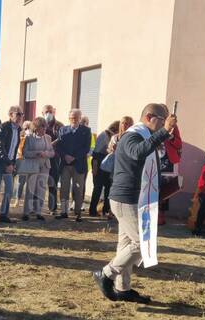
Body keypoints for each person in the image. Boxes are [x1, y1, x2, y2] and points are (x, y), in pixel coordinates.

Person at [93, 103, 177, 304]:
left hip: (132, 198)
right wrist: (164, 131)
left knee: (126, 246)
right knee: (142, 243)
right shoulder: (133, 135)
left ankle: (123, 288)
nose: (166, 123)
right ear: (150, 117)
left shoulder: (144, 136)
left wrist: (163, 134)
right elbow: (137, 152)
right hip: (126, 199)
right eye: (162, 119)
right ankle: (106, 274)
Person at [56, 109, 91, 222]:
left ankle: (77, 212)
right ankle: (64, 211)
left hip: (79, 164)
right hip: (65, 164)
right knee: (64, 189)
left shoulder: (86, 131)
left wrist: (74, 157)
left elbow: (86, 148)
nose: (73, 119)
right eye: (71, 117)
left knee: (78, 189)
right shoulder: (63, 130)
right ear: (69, 118)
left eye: (76, 117)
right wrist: (65, 155)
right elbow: (59, 146)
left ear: (80, 118)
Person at [21, 117, 55, 221]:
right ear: (36, 127)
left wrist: (46, 153)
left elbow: (52, 153)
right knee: (30, 189)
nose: (45, 128)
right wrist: (36, 153)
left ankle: (38, 212)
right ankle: (26, 212)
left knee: (41, 189)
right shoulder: (29, 138)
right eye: (42, 126)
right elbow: (25, 153)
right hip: (33, 166)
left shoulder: (48, 138)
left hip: (45, 166)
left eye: (45, 126)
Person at [0, 105, 23, 223]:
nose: (21, 116)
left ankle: (3, 215)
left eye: (22, 114)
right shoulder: (3, 127)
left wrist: (12, 164)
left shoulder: (19, 130)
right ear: (11, 115)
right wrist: (7, 163)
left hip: (9, 164)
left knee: (10, 189)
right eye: (18, 114)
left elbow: (15, 149)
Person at [89, 121, 119, 217]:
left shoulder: (110, 136)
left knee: (108, 188)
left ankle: (105, 209)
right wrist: (95, 168)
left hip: (106, 165)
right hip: (99, 163)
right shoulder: (105, 135)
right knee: (98, 188)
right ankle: (93, 210)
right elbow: (96, 153)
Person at [43, 105, 64, 215]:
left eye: (50, 111)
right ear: (42, 113)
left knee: (52, 183)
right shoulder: (40, 123)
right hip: (41, 157)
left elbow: (61, 138)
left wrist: (50, 145)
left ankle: (52, 208)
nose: (48, 113)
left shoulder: (59, 125)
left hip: (54, 158)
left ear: (54, 112)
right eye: (46, 112)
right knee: (38, 183)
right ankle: (34, 207)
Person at [14, 120, 32, 207]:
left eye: (29, 128)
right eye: (25, 128)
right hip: (17, 159)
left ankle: (21, 200)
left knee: (22, 181)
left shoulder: (32, 138)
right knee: (18, 182)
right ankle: (16, 199)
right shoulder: (19, 136)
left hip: (26, 162)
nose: (27, 130)